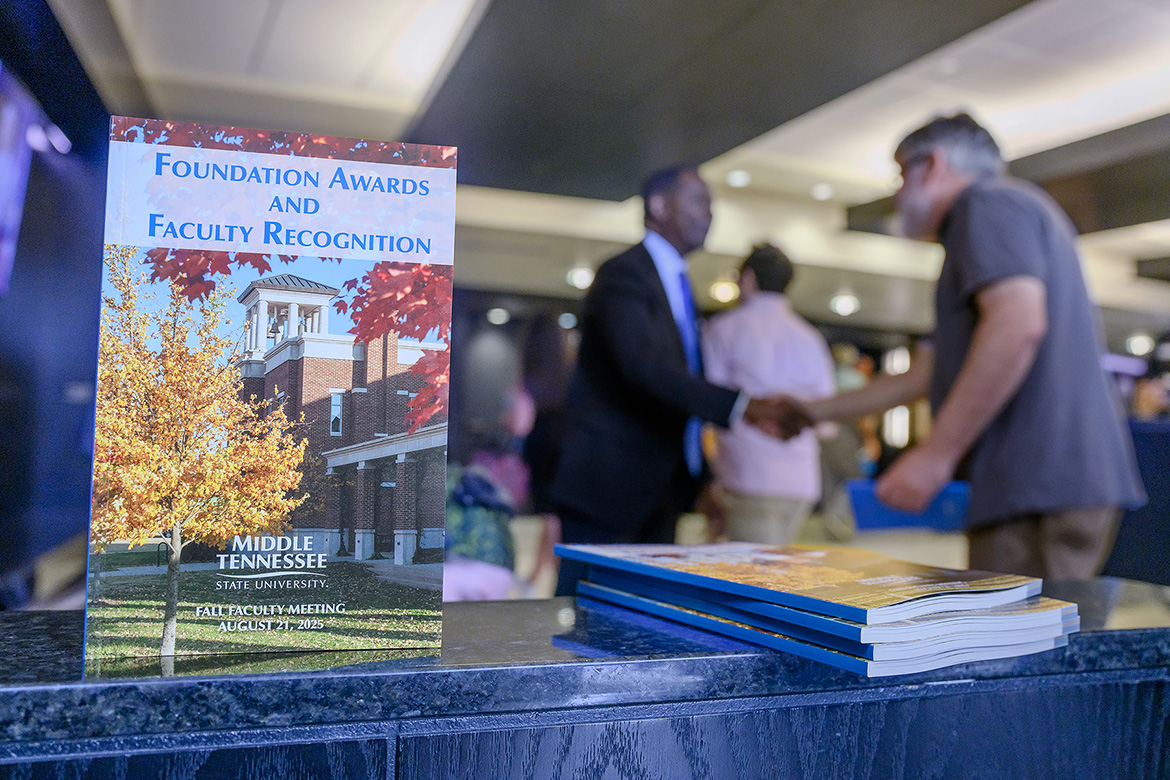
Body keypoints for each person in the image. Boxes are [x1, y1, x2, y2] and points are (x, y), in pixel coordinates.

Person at [785, 112, 1145, 580]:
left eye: (900, 174)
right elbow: (924, 373)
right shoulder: (1001, 213)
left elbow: (1017, 324)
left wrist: (936, 454)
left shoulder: (987, 205)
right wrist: (816, 411)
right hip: (1044, 482)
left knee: (1015, 645)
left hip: (1036, 483)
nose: (896, 194)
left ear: (931, 165)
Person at [548, 166, 791, 595]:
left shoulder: (679, 284)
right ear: (658, 205)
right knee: (580, 620)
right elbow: (642, 367)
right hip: (608, 487)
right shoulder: (623, 273)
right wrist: (742, 405)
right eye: (699, 201)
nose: (710, 214)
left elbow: (678, 384)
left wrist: (700, 479)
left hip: (661, 490)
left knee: (645, 628)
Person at [701, 243, 835, 545]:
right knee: (774, 574)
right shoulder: (810, 338)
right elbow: (828, 425)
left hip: (749, 475)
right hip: (801, 483)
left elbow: (711, 405)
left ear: (748, 278)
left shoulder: (724, 329)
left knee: (751, 583)